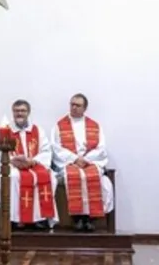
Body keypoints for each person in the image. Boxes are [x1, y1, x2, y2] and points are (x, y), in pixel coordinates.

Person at [50, 93, 114, 232]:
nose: (74, 107)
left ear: (85, 108)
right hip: (70, 162)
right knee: (74, 177)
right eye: (72, 104)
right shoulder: (60, 125)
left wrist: (87, 159)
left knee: (92, 176)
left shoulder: (95, 125)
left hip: (89, 161)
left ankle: (91, 219)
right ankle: (77, 219)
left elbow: (101, 147)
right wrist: (74, 159)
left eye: (78, 105)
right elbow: (56, 147)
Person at [0, 99, 58, 230]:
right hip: (13, 166)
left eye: (23, 111)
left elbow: (46, 151)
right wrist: (12, 161)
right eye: (16, 111)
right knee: (14, 177)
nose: (19, 114)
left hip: (34, 164)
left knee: (46, 177)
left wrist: (33, 161)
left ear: (28, 112)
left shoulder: (38, 130)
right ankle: (16, 219)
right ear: (13, 112)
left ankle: (40, 218)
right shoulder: (5, 130)